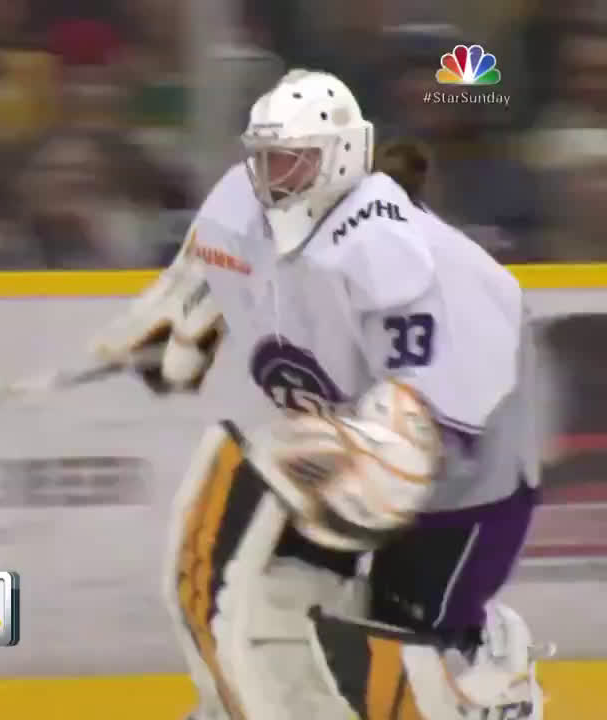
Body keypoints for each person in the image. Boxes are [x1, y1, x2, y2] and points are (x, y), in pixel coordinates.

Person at [91, 69, 548, 720]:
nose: (270, 176)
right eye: (265, 157)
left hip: (466, 470)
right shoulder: (242, 201)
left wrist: (347, 460)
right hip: (348, 434)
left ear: (340, 157)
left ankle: (491, 684)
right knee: (272, 598)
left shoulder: (395, 257)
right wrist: (181, 310)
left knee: (400, 639)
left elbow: (417, 439)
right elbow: (210, 265)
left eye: (292, 160)